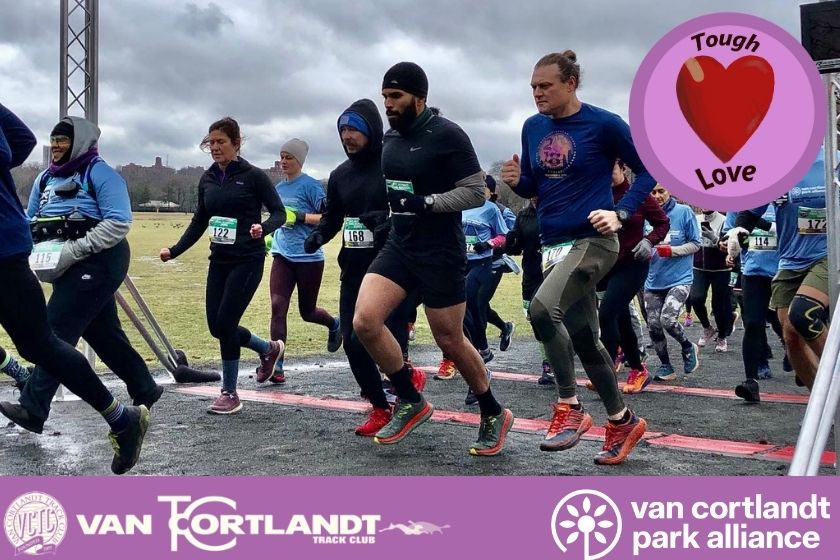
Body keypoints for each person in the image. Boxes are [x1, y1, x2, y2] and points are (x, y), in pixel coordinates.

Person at [353, 61, 514, 456]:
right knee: (365, 321)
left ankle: (493, 411)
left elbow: (476, 192)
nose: (388, 104)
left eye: (396, 97)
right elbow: (394, 189)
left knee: (449, 338)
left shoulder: (447, 135)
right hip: (401, 246)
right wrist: (383, 214)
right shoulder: (390, 139)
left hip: (441, 251)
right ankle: (410, 399)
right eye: (385, 96)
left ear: (419, 98)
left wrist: (428, 202)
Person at [500, 50, 652, 465]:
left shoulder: (603, 124)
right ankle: (622, 420)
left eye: (545, 85)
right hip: (555, 244)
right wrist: (517, 181)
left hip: (595, 240)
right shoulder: (532, 128)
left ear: (571, 83)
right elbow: (537, 182)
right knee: (586, 338)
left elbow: (650, 168)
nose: (537, 93)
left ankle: (569, 407)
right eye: (533, 87)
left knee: (542, 309)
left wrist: (620, 213)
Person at [0, 103, 148, 474]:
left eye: (64, 140)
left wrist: (73, 250)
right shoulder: (46, 178)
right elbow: (31, 204)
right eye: (55, 142)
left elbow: (117, 223)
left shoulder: (101, 174)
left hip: (94, 258)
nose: (57, 147)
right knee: (94, 334)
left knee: (53, 333)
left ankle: (37, 405)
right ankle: (140, 396)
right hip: (49, 257)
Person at [303, 99, 422, 436]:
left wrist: (385, 221)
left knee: (390, 338)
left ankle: (406, 397)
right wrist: (319, 236)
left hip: (391, 269)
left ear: (371, 128)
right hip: (353, 269)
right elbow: (333, 219)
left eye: (353, 129)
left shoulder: (392, 165)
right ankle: (381, 408)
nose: (347, 136)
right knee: (353, 342)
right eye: (342, 130)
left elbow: (410, 210)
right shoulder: (340, 175)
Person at [161, 117, 285, 414]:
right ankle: (269, 349)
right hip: (219, 260)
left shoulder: (253, 176)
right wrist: (175, 250)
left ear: (236, 144)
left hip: (248, 259)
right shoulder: (207, 178)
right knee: (216, 326)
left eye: (221, 142)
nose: (215, 147)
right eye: (211, 142)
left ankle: (229, 392)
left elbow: (279, 213)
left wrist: (263, 229)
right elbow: (199, 220)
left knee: (226, 324)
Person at [727, 149, 832, 392]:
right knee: (791, 335)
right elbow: (750, 212)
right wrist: (738, 231)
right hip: (789, 262)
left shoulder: (831, 161)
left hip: (826, 256)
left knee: (804, 314)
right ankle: (824, 403)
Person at [268, 138, 342, 382]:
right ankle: (276, 365)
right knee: (278, 307)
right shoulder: (277, 189)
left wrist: (299, 216)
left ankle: (334, 324)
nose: (284, 161)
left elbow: (328, 218)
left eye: (289, 157)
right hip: (282, 254)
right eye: (282, 156)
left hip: (309, 257)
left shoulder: (311, 186)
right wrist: (269, 235)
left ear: (299, 160)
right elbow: (278, 218)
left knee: (307, 312)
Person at [597, 160, 669, 394]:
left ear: (622, 169)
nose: (606, 175)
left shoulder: (637, 194)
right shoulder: (599, 194)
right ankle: (638, 369)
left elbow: (662, 223)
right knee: (621, 319)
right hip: (608, 265)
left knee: (607, 314)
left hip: (633, 264)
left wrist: (649, 241)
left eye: (611, 169)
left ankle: (604, 374)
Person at [721, 210, 782, 402]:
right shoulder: (739, 203)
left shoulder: (785, 198)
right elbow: (729, 236)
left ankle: (793, 351)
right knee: (753, 323)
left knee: (785, 322)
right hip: (753, 272)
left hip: (785, 269)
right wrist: (727, 245)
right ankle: (751, 381)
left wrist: (762, 224)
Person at [644, 184, 701, 381]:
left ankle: (687, 346)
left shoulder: (684, 212)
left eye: (661, 191)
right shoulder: (645, 214)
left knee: (667, 319)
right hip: (653, 280)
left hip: (680, 279)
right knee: (653, 325)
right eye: (653, 192)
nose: (657, 196)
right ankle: (666, 366)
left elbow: (696, 243)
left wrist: (673, 251)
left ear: (670, 191)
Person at [505, 196, 554, 384]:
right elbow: (516, 250)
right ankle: (548, 361)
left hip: (554, 271)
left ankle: (551, 363)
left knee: (550, 317)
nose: (534, 197)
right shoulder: (524, 215)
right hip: (531, 275)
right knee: (533, 318)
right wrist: (511, 241)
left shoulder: (557, 208)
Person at [689, 209, 734, 352]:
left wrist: (714, 238)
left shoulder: (725, 220)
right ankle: (707, 327)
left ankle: (722, 336)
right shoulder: (695, 219)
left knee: (718, 305)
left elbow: (730, 247)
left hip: (720, 269)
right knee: (695, 298)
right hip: (699, 267)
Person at [482, 175, 518, 351]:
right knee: (473, 303)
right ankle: (505, 327)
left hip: (494, 262)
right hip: (472, 262)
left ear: (492, 192)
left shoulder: (503, 212)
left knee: (479, 302)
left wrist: (494, 244)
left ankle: (481, 350)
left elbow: (512, 235)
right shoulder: (469, 209)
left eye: (483, 188)